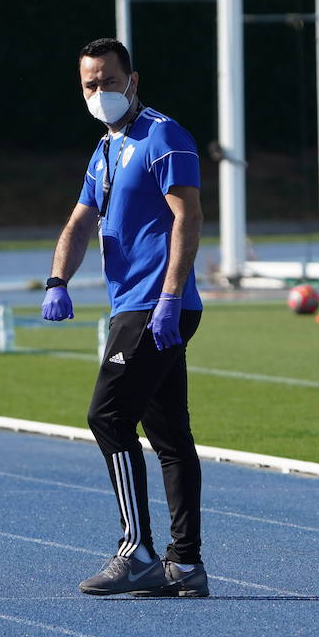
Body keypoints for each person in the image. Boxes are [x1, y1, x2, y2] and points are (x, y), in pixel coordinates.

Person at [42, 37, 208, 598]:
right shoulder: (104, 148)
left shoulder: (164, 136)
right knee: (169, 438)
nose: (99, 93)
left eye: (108, 82)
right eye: (89, 85)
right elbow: (80, 222)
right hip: (130, 305)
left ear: (131, 81)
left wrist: (170, 296)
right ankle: (184, 566)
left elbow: (188, 219)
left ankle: (135, 551)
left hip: (153, 307)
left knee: (108, 418)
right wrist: (57, 280)